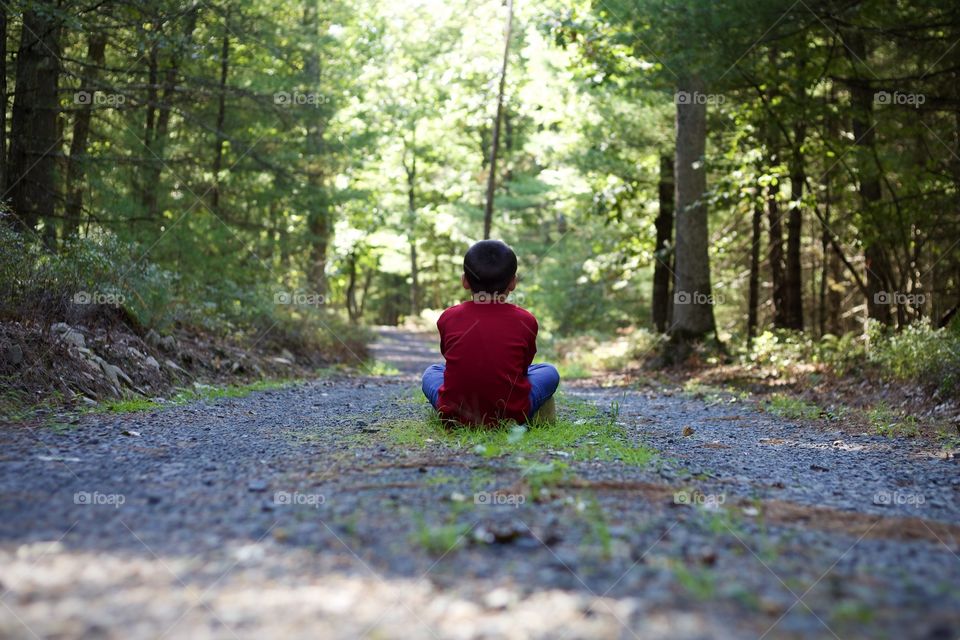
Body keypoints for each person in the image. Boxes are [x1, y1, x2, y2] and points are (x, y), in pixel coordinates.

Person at [421, 239, 560, 426]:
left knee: (432, 372)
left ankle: (453, 412)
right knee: (549, 371)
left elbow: (450, 357)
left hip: (455, 413)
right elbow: (523, 368)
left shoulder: (448, 317)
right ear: (513, 283)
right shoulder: (526, 320)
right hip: (511, 413)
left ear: (464, 281)